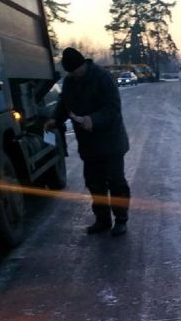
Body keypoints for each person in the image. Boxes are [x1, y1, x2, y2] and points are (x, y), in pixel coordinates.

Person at [44, 47, 131, 237]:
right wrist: (55, 119)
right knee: (94, 183)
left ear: (83, 64)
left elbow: (113, 108)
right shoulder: (70, 81)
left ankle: (121, 219)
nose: (74, 75)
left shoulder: (102, 77)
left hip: (111, 142)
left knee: (116, 182)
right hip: (88, 144)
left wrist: (92, 120)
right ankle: (102, 219)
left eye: (76, 70)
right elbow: (64, 104)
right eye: (70, 72)